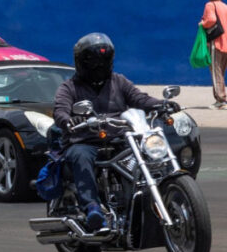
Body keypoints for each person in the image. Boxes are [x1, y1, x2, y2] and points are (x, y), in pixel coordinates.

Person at [53, 33, 177, 232]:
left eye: (103, 61)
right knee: (81, 155)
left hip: (119, 138)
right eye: (94, 62)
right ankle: (92, 206)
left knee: (146, 151)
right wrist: (69, 120)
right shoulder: (69, 87)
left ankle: (148, 199)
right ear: (83, 62)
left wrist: (162, 105)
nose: (99, 66)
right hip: (85, 140)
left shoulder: (119, 81)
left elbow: (140, 99)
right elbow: (60, 110)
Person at [201, 0, 227, 109]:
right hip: (226, 43)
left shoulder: (210, 5)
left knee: (216, 73)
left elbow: (211, 19)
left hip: (216, 43)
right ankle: (221, 99)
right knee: (221, 72)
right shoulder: (225, 6)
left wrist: (203, 23)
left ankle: (221, 101)